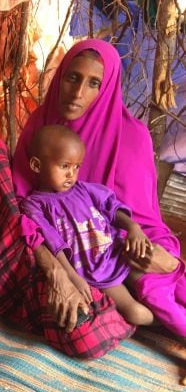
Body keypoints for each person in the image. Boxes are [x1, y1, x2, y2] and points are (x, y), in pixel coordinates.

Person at [0, 39, 184, 370]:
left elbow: (139, 217)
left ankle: (119, 310)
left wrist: (135, 243)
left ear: (106, 88)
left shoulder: (131, 136)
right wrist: (58, 271)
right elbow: (24, 208)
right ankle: (109, 313)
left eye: (93, 83)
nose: (78, 92)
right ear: (60, 76)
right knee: (73, 325)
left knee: (153, 288)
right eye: (72, 77)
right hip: (57, 248)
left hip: (112, 246)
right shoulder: (41, 123)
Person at [20, 124, 154, 326]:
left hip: (119, 254)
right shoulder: (35, 206)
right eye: (64, 166)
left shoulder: (85, 190)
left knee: (157, 291)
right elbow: (53, 244)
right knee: (135, 312)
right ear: (37, 166)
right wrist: (72, 276)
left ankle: (173, 319)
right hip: (96, 273)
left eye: (76, 167)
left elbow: (112, 207)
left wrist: (133, 227)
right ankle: (161, 326)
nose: (71, 174)